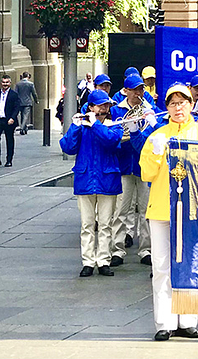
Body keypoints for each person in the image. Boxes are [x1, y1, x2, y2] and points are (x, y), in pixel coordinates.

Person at [140, 84, 198, 341]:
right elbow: (146, 174)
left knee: (191, 265)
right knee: (161, 266)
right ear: (167, 107)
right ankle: (165, 322)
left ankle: (188, 320)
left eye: (183, 102)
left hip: (191, 210)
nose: (178, 107)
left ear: (191, 105)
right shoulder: (157, 136)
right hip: (162, 209)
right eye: (173, 103)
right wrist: (157, 153)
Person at [59, 90, 123, 277]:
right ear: (91, 107)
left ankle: (103, 260)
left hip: (107, 179)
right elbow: (68, 147)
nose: (104, 108)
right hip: (85, 179)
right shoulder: (82, 126)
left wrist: (95, 124)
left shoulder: (113, 124)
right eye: (100, 105)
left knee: (105, 224)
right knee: (87, 224)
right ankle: (88, 261)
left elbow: (111, 142)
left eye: (106, 105)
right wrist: (75, 126)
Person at [111, 74, 155, 266]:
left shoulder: (150, 110)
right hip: (123, 163)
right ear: (126, 91)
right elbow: (113, 135)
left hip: (143, 164)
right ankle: (117, 250)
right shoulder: (115, 111)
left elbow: (153, 135)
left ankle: (146, 249)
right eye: (135, 90)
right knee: (121, 209)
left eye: (141, 89)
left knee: (146, 211)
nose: (139, 93)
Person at [0, 74, 21, 168]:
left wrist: (12, 118)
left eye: (7, 82)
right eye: (3, 82)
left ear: (10, 83)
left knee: (9, 140)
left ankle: (9, 160)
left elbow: (16, 107)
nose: (5, 84)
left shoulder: (14, 95)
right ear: (1, 83)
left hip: (8, 120)